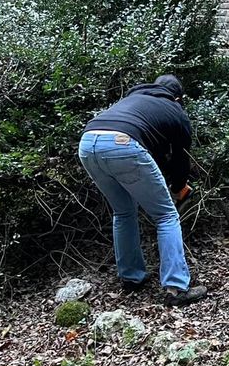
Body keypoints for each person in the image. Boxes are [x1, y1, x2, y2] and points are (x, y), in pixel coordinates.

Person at [78, 75, 207, 306]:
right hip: (123, 143)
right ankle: (177, 289)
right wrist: (178, 188)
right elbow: (180, 158)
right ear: (178, 98)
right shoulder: (175, 109)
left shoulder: (136, 98)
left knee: (123, 212)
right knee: (166, 215)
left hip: (88, 142)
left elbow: (151, 152)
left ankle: (131, 277)